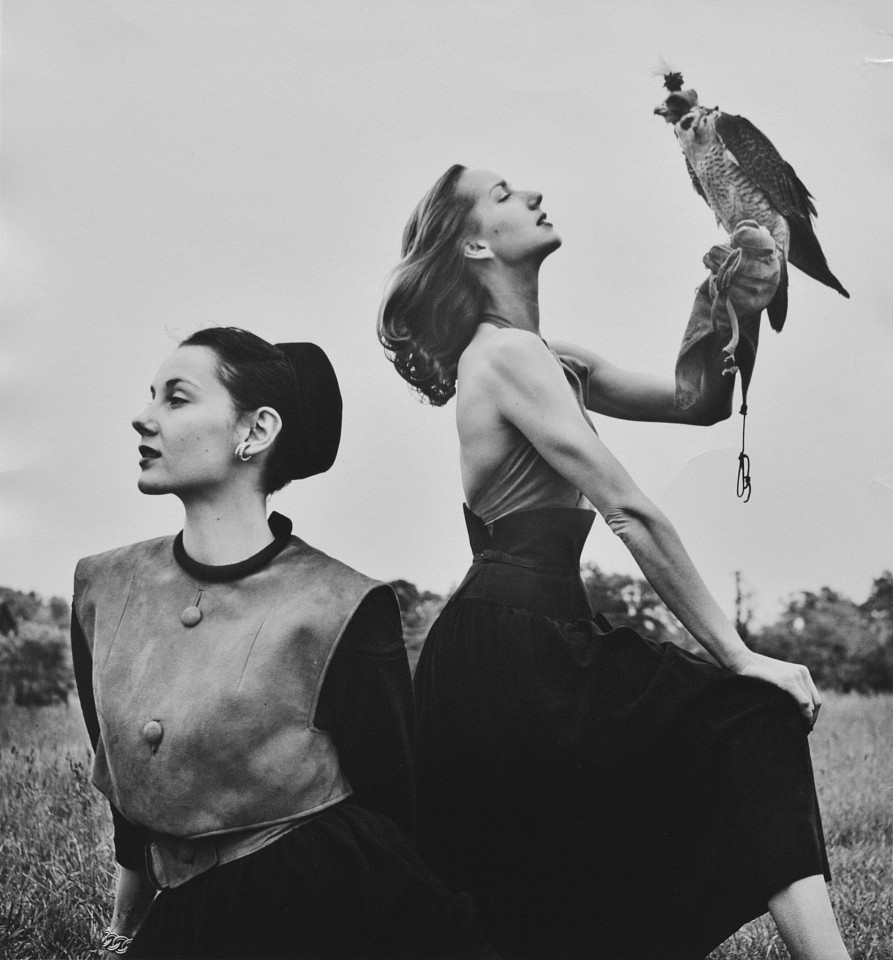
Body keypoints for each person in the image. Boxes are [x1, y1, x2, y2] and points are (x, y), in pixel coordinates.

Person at [377, 165, 850, 960]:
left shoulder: (546, 356)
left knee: (533, 902)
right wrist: (737, 656)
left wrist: (726, 304)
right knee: (751, 718)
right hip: (509, 645)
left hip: (525, 635)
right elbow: (625, 507)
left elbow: (690, 397)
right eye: (501, 196)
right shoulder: (502, 357)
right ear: (473, 243)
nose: (528, 192)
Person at [71, 326, 497, 959]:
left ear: (256, 431)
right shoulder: (101, 587)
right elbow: (130, 797)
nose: (143, 418)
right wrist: (122, 932)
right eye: (150, 396)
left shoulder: (344, 604)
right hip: (187, 919)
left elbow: (392, 810)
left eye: (176, 398)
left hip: (325, 911)